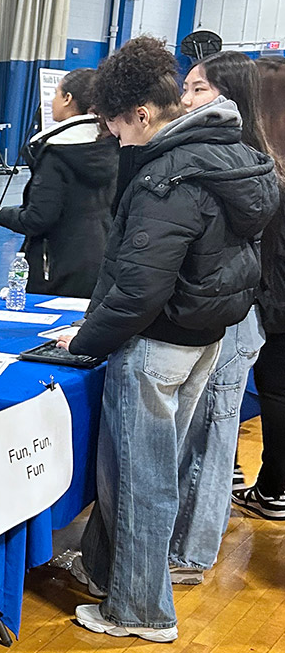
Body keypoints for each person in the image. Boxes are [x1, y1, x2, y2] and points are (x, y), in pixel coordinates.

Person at [58, 37, 278, 642]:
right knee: (156, 473)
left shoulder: (169, 174)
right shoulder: (230, 151)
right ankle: (110, 576)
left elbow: (137, 287)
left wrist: (84, 343)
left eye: (118, 128)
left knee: (139, 481)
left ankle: (140, 612)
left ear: (143, 115)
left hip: (156, 347)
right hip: (204, 336)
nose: (119, 141)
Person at [169, 51, 273, 582]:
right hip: (227, 312)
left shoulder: (243, 164)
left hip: (236, 317)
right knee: (201, 435)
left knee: (210, 436)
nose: (185, 101)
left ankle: (189, 553)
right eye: (186, 88)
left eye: (198, 89)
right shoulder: (242, 158)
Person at [0, 68, 118, 298]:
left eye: (56, 94)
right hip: (103, 259)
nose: (51, 101)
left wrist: (1, 215)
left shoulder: (56, 152)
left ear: (67, 99)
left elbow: (38, 218)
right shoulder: (112, 144)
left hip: (56, 267)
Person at [234, 55, 285, 519]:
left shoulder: (260, 160)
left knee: (266, 390)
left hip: (268, 294)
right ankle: (272, 486)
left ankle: (271, 488)